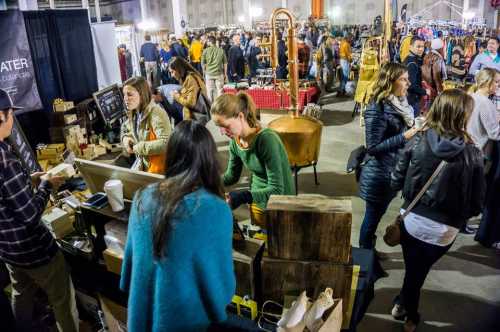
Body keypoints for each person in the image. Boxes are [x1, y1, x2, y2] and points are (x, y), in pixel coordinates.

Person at [120, 120, 235, 332]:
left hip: (141, 322)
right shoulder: (216, 209)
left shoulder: (141, 197)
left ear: (171, 156)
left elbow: (129, 274)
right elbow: (223, 290)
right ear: (210, 159)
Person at [390, 89, 485, 332]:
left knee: (414, 270)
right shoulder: (473, 152)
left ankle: (405, 307)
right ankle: (409, 312)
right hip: (445, 229)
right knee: (417, 272)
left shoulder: (419, 138)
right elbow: (477, 203)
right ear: (462, 115)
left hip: (411, 219)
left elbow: (396, 178)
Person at [0, 89, 79, 332]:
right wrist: (45, 185)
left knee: (20, 295)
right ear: (1, 116)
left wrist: (28, 179)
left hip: (7, 249)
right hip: (34, 251)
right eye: (11, 114)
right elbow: (30, 215)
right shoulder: (5, 160)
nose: (13, 120)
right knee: (63, 300)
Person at [358, 62, 419, 251]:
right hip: (378, 173)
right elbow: (373, 147)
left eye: (408, 79)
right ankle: (365, 256)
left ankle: (369, 251)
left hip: (391, 170)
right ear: (390, 81)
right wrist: (405, 136)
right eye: (403, 79)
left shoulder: (399, 103)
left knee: (376, 215)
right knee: (372, 218)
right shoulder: (378, 108)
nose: (408, 83)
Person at [211, 93, 294, 227]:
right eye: (219, 127)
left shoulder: (266, 140)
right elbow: (231, 176)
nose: (222, 132)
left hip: (281, 204)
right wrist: (207, 182)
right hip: (257, 198)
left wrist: (244, 196)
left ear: (240, 116)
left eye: (225, 126)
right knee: (261, 238)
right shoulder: (235, 143)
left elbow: (277, 190)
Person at [467, 68, 500, 246]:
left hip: (468, 149)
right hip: (478, 152)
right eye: (496, 82)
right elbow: (494, 133)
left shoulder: (471, 97)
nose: (498, 85)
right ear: (487, 82)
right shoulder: (485, 103)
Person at [120, 77, 171, 174]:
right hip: (145, 167)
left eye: (129, 94)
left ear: (141, 94)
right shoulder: (136, 112)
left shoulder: (156, 113)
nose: (125, 99)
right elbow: (126, 128)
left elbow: (166, 143)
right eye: (124, 95)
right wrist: (125, 138)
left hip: (158, 172)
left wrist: (137, 148)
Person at [167, 57, 209, 123]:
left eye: (172, 72)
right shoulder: (186, 77)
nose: (172, 75)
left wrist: (176, 96)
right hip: (193, 117)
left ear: (178, 69)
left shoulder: (190, 78)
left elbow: (190, 103)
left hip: (195, 118)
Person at [404, 36, 427, 116]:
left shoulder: (410, 58)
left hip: (408, 99)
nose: (421, 49)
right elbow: (411, 85)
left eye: (423, 47)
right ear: (411, 47)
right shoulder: (412, 63)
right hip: (411, 100)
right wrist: (425, 92)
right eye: (418, 46)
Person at [202, 36, 227, 102]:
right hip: (219, 73)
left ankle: (210, 107)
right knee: (220, 91)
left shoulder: (205, 51)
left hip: (209, 73)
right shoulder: (221, 50)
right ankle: (219, 106)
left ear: (210, 42)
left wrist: (204, 73)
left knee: (210, 92)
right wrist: (225, 74)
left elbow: (203, 64)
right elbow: (225, 63)